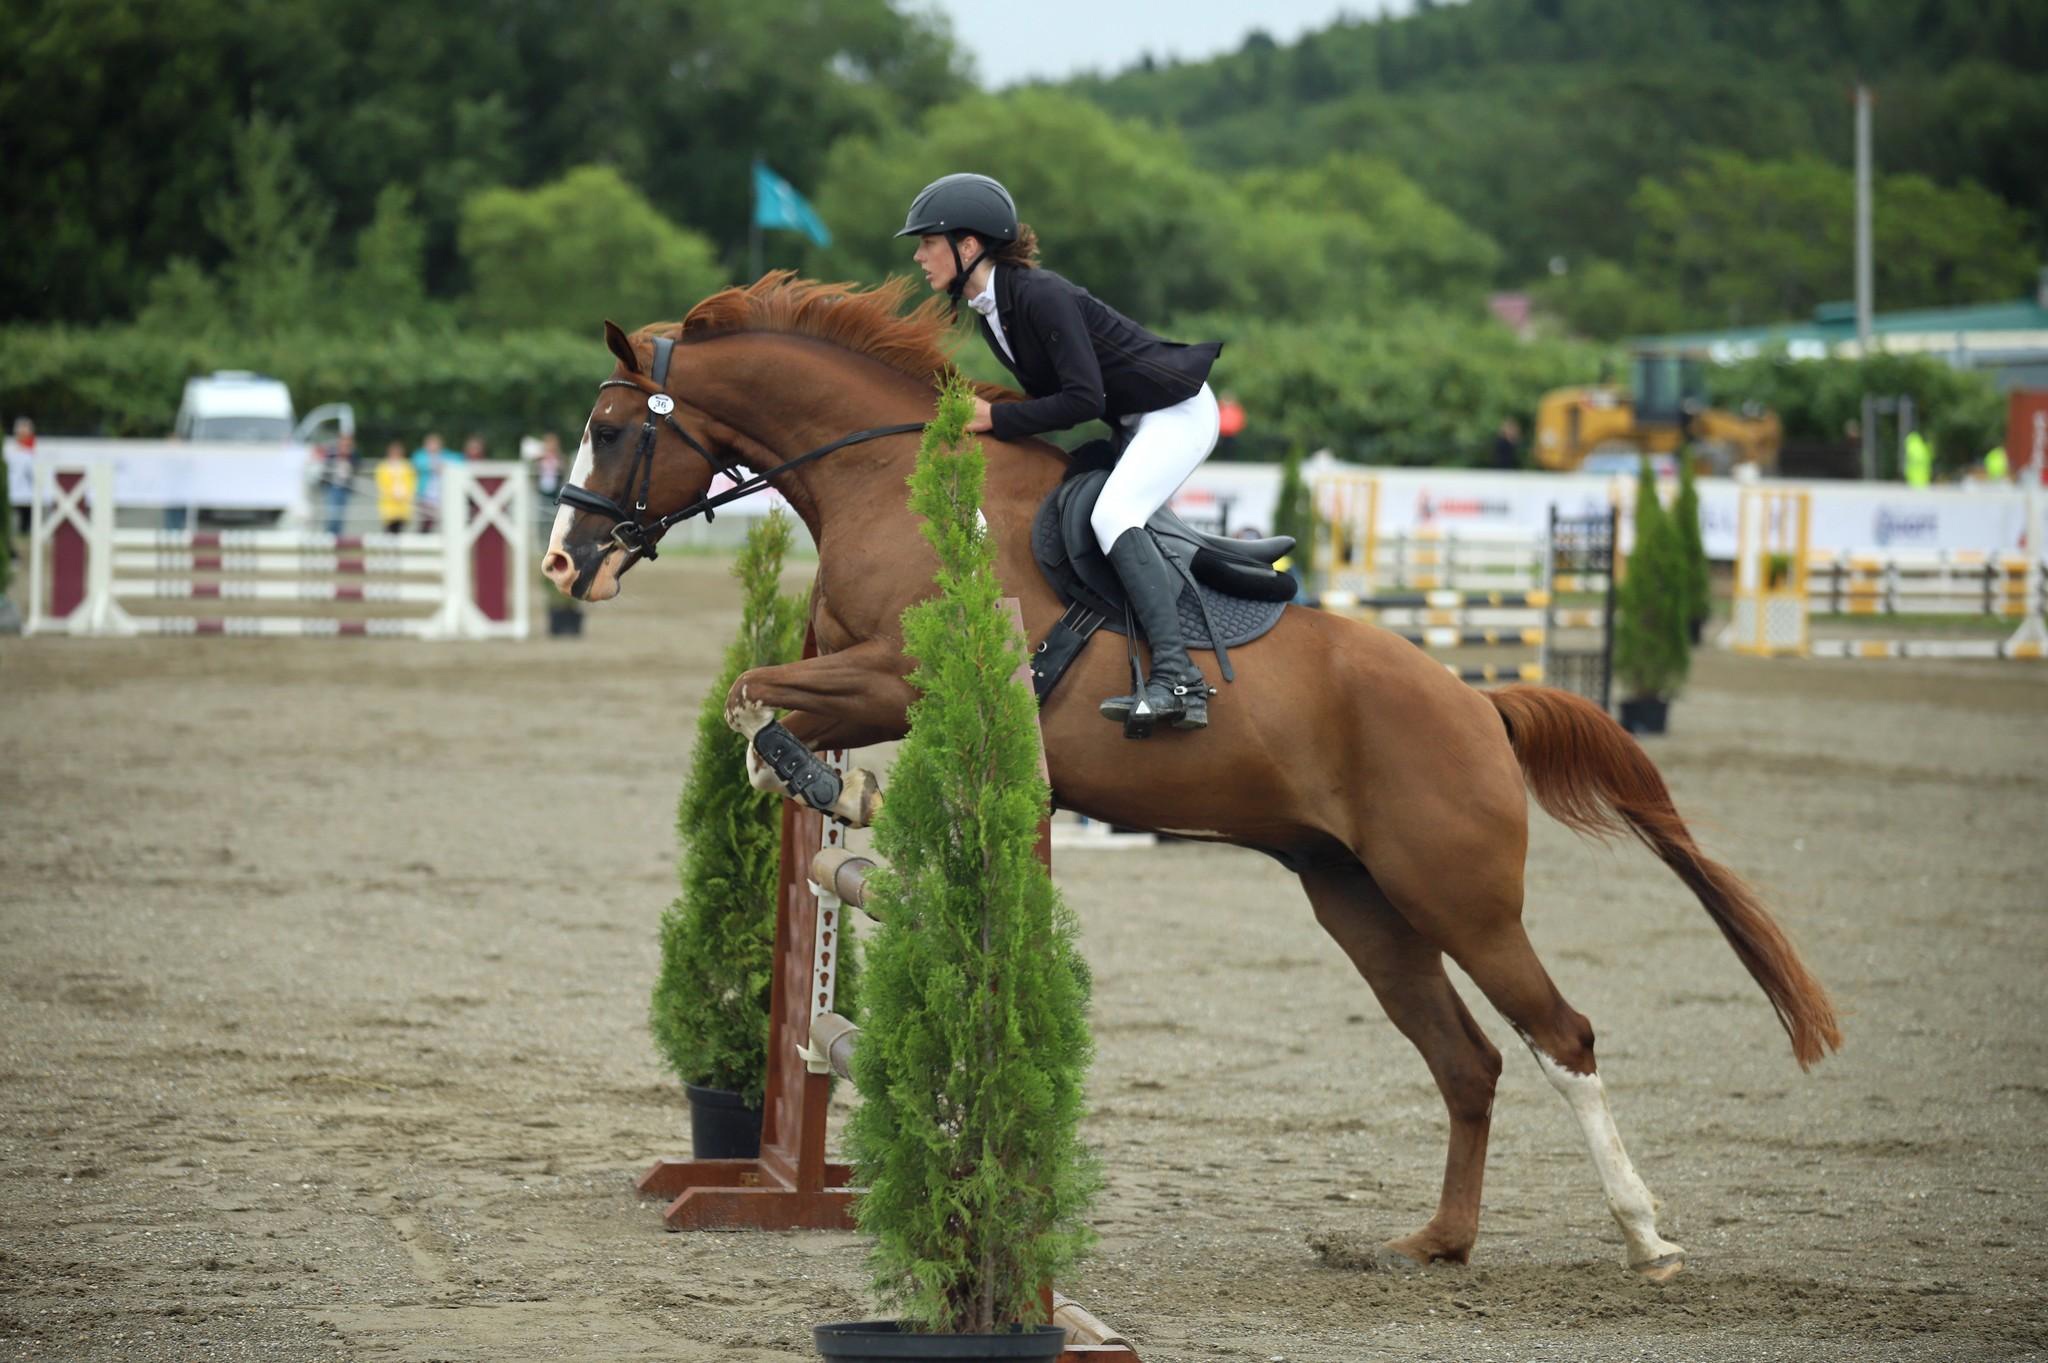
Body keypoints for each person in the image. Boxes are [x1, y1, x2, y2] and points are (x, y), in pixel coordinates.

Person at [900, 172, 1224, 736]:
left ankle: (1179, 679)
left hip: (1177, 411)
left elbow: (1080, 399)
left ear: (968, 246)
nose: (921, 257)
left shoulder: (1038, 295)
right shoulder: (993, 308)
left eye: (929, 243)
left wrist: (995, 417)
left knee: (1113, 515)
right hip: (1134, 419)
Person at [318, 433, 356, 535]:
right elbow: (325, 467)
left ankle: (338, 540)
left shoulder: (352, 456)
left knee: (340, 517)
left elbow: (356, 465)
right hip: (332, 488)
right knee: (332, 516)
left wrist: (347, 455)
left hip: (344, 489)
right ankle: (329, 538)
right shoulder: (332, 454)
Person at [375, 440, 416, 533]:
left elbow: (412, 483)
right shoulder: (383, 467)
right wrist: (391, 494)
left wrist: (406, 494)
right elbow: (381, 484)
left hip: (403, 503)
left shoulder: (407, 466)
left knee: (399, 528)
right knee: (389, 529)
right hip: (389, 503)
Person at [411, 432, 446, 531]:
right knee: (425, 523)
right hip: (426, 496)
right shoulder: (421, 456)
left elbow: (458, 461)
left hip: (442, 496)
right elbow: (418, 464)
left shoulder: (445, 456)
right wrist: (435, 467)